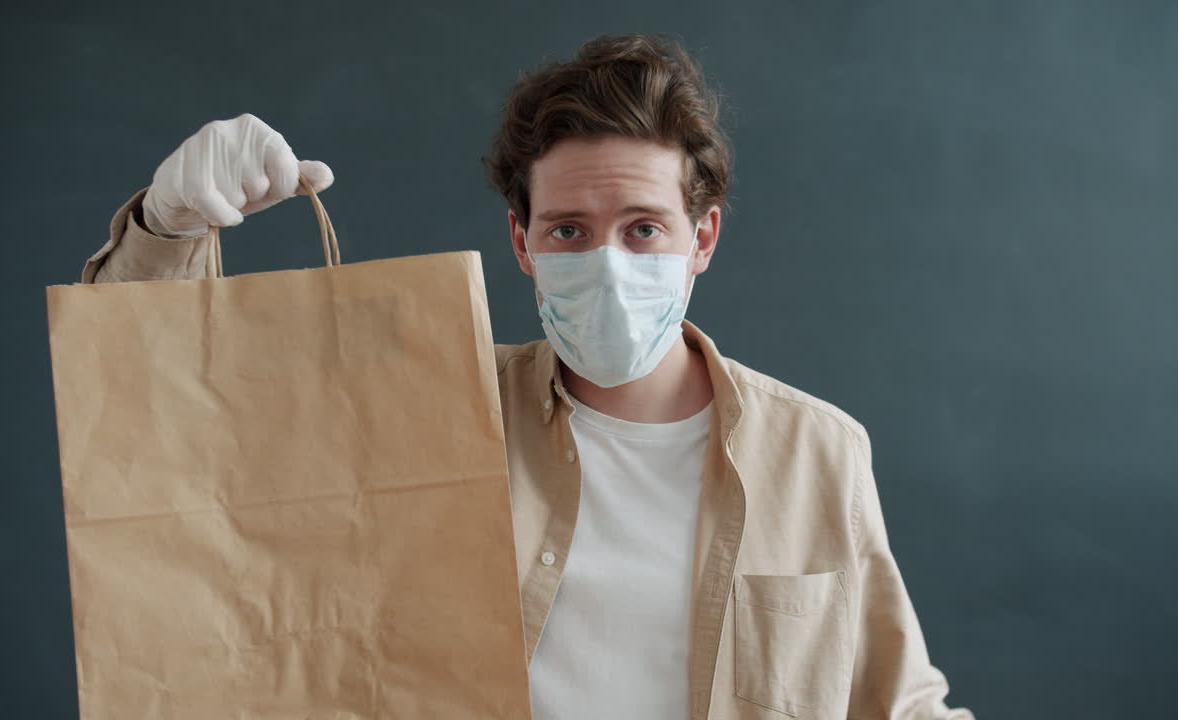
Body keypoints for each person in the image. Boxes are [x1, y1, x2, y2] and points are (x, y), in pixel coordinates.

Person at [81, 33, 973, 720]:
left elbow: (897, 704)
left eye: (644, 228)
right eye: (570, 231)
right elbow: (167, 420)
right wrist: (167, 230)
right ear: (523, 243)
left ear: (702, 238)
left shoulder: (818, 450)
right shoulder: (433, 404)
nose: (609, 260)